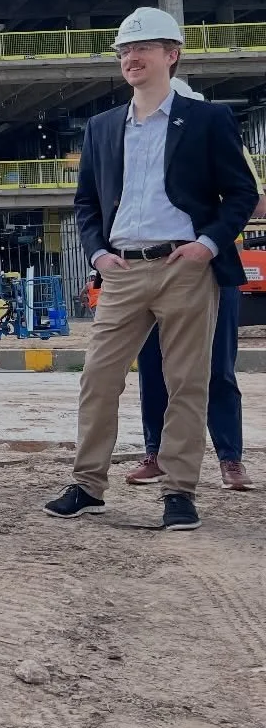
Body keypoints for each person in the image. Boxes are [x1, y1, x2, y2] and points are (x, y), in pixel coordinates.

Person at [46, 11, 257, 530]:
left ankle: (179, 491)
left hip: (185, 265)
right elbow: (87, 204)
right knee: (98, 377)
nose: (131, 58)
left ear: (172, 54)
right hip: (122, 270)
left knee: (188, 382)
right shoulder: (101, 127)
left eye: (144, 48)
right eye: (123, 51)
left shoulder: (206, 120)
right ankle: (88, 483)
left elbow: (243, 193)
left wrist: (208, 244)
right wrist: (97, 254)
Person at [127, 78, 255, 494]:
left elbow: (251, 196)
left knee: (217, 368)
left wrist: (204, 205)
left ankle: (229, 457)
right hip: (150, 268)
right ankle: (156, 453)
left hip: (209, 267)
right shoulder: (141, 144)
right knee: (153, 367)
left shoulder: (216, 137)